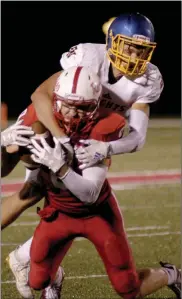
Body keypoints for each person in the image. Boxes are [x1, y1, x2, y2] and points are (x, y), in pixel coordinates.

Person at [2, 67, 181, 299]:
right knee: (37, 281)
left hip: (98, 215)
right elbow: (5, 169)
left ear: (95, 106)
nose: (72, 114)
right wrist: (3, 142)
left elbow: (90, 193)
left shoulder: (103, 127)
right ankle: (54, 278)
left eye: (82, 108)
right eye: (67, 104)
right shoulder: (38, 118)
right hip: (58, 212)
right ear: (55, 99)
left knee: (129, 289)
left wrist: (62, 168)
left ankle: (171, 274)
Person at [30, 12, 164, 170]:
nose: (134, 58)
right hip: (62, 123)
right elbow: (40, 95)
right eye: (129, 48)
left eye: (141, 50)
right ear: (112, 41)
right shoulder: (88, 57)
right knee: (28, 125)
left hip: (95, 138)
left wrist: (105, 149)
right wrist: (61, 137)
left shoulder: (149, 79)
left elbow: (137, 138)